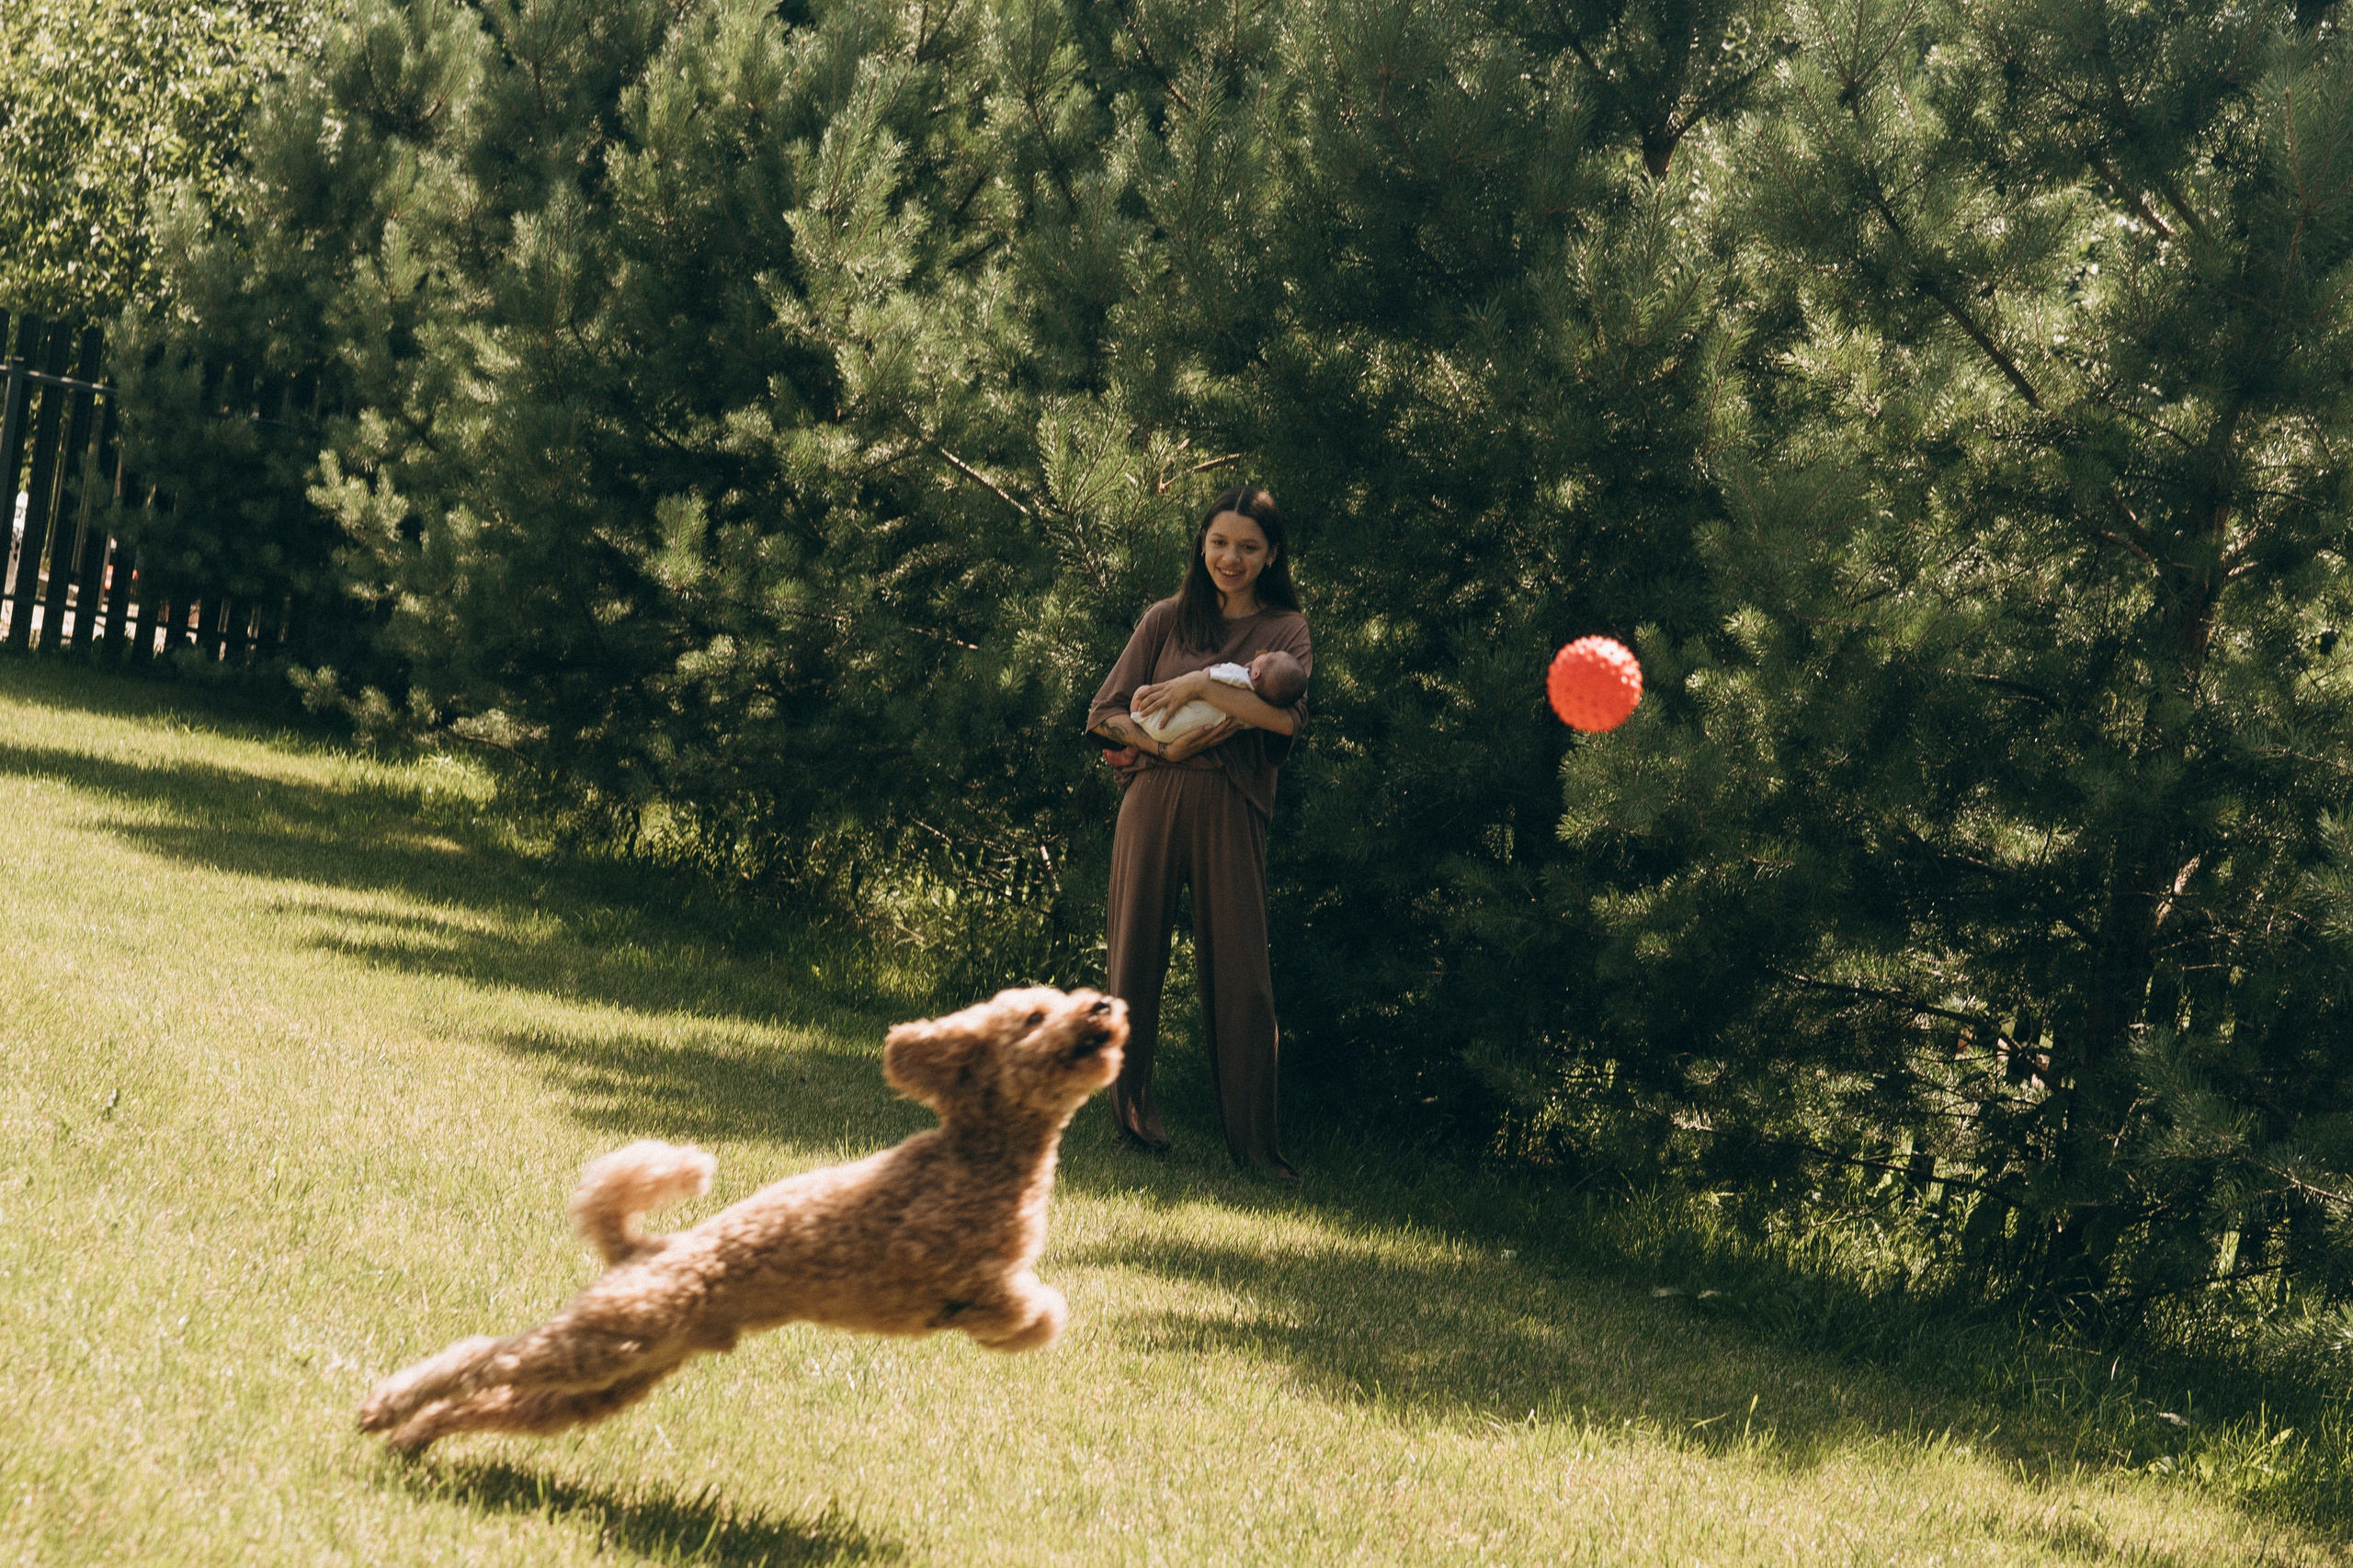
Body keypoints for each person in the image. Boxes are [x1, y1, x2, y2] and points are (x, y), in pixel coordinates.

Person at [1086, 485, 1309, 1181]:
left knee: (1242, 974)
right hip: (1153, 797)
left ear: (1271, 554)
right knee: (1134, 957)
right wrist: (1163, 750)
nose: (1231, 558)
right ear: (1201, 545)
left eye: (1248, 546)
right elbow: (1104, 713)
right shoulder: (1165, 620)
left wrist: (1201, 691)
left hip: (1231, 804)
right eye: (1219, 543)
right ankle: (1131, 1118)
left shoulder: (1286, 630)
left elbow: (1284, 721)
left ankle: (1253, 1146)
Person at [1126, 649, 1308, 744]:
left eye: (1270, 657)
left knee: (1142, 695)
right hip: (1181, 733)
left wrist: (1206, 674)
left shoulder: (1239, 676)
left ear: (1256, 675)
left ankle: (1134, 739)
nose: (1267, 653)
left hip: (1169, 721)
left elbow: (1209, 675)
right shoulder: (1256, 712)